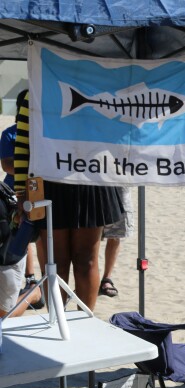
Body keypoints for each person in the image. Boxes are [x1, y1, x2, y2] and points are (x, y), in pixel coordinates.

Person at [14, 92, 125, 311]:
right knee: (56, 262)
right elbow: (23, 142)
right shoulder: (35, 90)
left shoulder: (102, 90)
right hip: (48, 182)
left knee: (86, 259)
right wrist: (21, 191)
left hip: (93, 178)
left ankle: (86, 322)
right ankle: (57, 323)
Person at [0, 88, 43, 308]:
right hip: (13, 192)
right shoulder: (10, 133)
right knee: (20, 233)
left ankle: (34, 280)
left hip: (38, 188)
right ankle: (30, 280)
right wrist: (29, 164)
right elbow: (7, 164)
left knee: (39, 234)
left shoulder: (42, 131)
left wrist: (25, 163)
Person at [99, 186, 134, 297]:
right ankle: (89, 279)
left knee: (115, 235)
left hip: (119, 184)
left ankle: (107, 278)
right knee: (89, 237)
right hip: (93, 184)